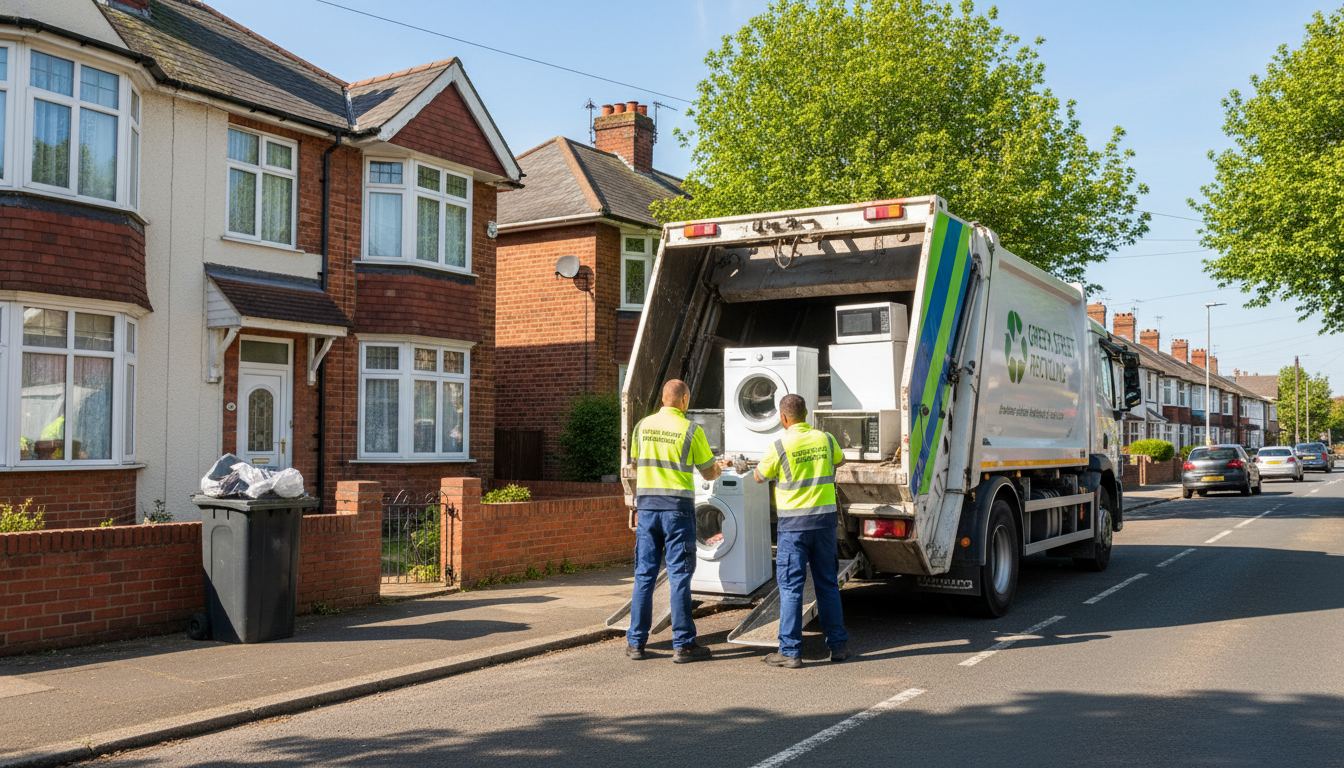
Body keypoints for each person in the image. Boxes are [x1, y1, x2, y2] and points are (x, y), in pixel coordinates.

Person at [625, 379, 721, 662]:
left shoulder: (642, 426)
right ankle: (683, 645)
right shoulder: (691, 429)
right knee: (679, 575)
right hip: (677, 510)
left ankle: (636, 643)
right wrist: (718, 466)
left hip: (647, 508)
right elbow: (709, 473)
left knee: (644, 574)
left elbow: (634, 463)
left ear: (663, 400)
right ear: (684, 400)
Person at [752, 393, 850, 668]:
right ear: (806, 413)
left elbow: (759, 476)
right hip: (824, 525)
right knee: (828, 585)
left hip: (794, 528)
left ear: (783, 418)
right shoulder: (826, 439)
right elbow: (839, 461)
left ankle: (791, 651)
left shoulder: (779, 445)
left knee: (792, 588)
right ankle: (839, 646)